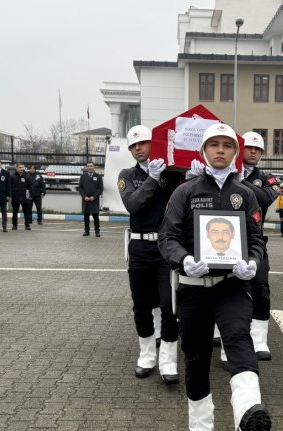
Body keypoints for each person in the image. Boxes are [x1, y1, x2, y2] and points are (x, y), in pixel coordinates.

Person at [159, 123, 271, 430]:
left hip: (231, 286)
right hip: (193, 288)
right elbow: (167, 236)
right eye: (214, 144)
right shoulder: (185, 191)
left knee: (238, 340)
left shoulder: (245, 195)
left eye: (227, 145)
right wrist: (183, 259)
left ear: (235, 152)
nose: (220, 149)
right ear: (203, 151)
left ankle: (249, 412)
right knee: (196, 360)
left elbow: (256, 238)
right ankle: (201, 426)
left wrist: (252, 260)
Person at [118, 124, 181, 384]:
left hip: (166, 247)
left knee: (169, 305)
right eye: (133, 146)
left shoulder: (172, 174)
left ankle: (168, 360)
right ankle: (146, 355)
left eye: (142, 143)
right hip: (140, 247)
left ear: (152, 144)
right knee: (142, 305)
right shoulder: (127, 175)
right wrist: (152, 180)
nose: (138, 149)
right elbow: (133, 204)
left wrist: (193, 176)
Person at [240, 131, 281, 362]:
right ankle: (218, 332)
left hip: (255, 242)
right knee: (222, 288)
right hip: (225, 242)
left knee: (261, 288)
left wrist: (239, 181)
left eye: (258, 149)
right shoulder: (226, 173)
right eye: (249, 147)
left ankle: (259, 340)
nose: (253, 151)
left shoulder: (268, 178)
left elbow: (266, 199)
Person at [78, 162, 103, 237]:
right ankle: (86, 231)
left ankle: (97, 232)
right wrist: (84, 196)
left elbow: (100, 188)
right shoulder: (83, 176)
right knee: (86, 216)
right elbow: (80, 188)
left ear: (94, 167)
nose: (89, 167)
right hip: (85, 200)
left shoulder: (98, 177)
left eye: (91, 166)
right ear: (86, 167)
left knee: (95, 216)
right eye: (88, 166)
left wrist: (94, 197)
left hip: (94, 200)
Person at [9, 163, 32, 230]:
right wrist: (10, 195)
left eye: (22, 167)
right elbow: (10, 187)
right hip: (15, 197)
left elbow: (30, 186)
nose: (21, 169)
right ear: (16, 168)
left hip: (25, 197)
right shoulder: (12, 176)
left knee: (26, 212)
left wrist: (30, 195)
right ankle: (14, 225)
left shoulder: (27, 176)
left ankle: (27, 225)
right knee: (15, 212)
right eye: (20, 167)